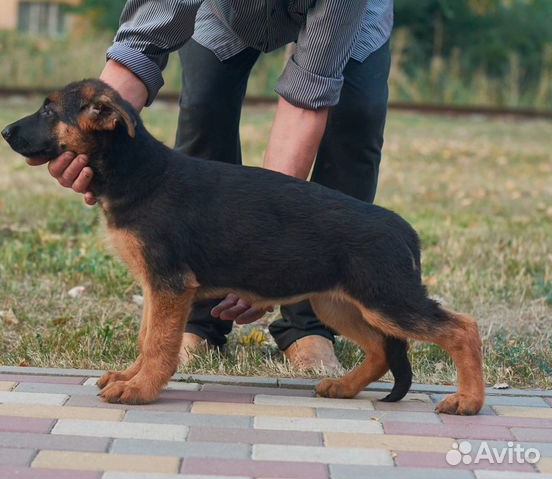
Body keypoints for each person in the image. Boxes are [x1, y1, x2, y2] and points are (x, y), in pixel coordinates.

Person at [27, 0, 393, 371]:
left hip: (346, 16)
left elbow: (307, 93)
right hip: (223, 11)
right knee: (204, 108)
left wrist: (262, 250)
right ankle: (199, 319)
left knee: (354, 118)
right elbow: (143, 41)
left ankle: (308, 324)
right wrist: (91, 140)